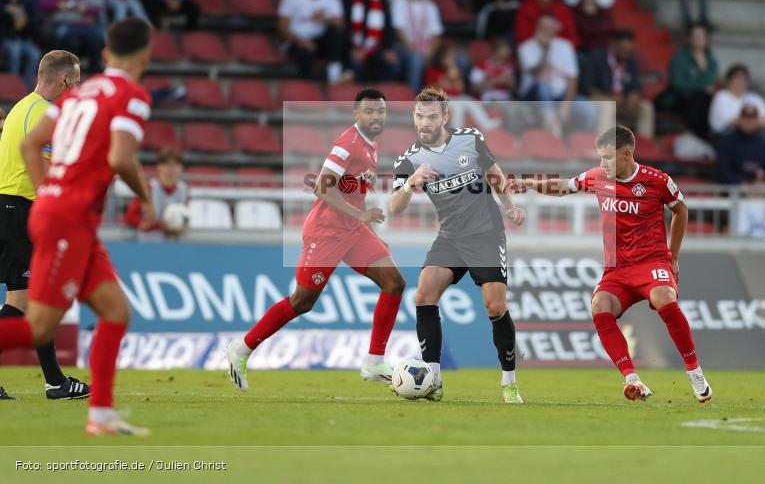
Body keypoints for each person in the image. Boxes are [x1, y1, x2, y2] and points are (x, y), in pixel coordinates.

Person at [0, 18, 155, 435]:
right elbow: (123, 158)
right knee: (37, 322)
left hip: (48, 211)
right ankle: (61, 387)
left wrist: (45, 192)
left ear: (106, 54)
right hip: (58, 214)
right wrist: (147, 198)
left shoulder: (69, 99)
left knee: (115, 312)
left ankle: (99, 413)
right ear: (146, 55)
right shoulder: (132, 97)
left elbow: (31, 146)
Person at [504, 125, 713, 403]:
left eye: (608, 157)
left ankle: (694, 371)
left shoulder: (657, 180)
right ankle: (632, 379)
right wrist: (529, 183)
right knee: (599, 306)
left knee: (664, 297)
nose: (602, 163)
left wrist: (672, 256)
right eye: (601, 157)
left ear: (627, 154)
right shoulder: (598, 177)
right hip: (617, 269)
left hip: (651, 261)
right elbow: (564, 187)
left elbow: (680, 210)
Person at [227, 89, 407, 390]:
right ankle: (241, 350)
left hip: (352, 230)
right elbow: (323, 188)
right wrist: (360, 216)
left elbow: (355, 196)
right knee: (303, 301)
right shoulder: (346, 145)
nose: (377, 117)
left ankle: (375, 361)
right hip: (326, 232)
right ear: (356, 114)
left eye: (381, 111)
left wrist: (369, 232)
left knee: (394, 282)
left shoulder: (371, 146)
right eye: (370, 111)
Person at [389, 88, 527, 403]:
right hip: (450, 236)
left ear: (445, 117)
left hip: (486, 233)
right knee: (424, 293)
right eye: (419, 115)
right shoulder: (409, 160)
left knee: (494, 305)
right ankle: (433, 380)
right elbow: (394, 207)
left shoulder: (470, 138)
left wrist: (509, 206)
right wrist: (411, 183)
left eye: (432, 116)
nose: (424, 122)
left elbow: (494, 174)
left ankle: (509, 382)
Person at [0, 50, 89, 402]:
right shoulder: (45, 114)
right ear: (65, 80)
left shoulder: (21, 107)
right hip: (24, 211)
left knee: (32, 300)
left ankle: (55, 382)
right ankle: (55, 383)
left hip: (10, 208)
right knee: (24, 301)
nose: (76, 87)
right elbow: (48, 173)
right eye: (76, 81)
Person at [517, 14, 596, 135]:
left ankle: (585, 146)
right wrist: (545, 51)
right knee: (543, 85)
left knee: (588, 109)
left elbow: (572, 79)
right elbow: (537, 74)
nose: (547, 31)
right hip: (533, 96)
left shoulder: (565, 46)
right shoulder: (525, 47)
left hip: (560, 96)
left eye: (550, 27)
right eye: (544, 28)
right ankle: (553, 128)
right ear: (537, 29)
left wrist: (565, 106)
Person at [278, 0, 346, 83]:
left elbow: (340, 26)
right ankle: (308, 90)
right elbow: (282, 26)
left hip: (319, 43)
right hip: (296, 41)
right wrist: (302, 41)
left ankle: (335, 78)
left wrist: (324, 19)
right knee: (306, 52)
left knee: (336, 34)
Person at [38, 0, 106, 74]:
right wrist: (58, 5)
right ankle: (69, 76)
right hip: (63, 25)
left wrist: (85, 9)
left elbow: (98, 4)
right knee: (70, 40)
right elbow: (43, 4)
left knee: (96, 38)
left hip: (84, 25)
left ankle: (95, 73)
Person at [342, 0, 402, 82]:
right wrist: (352, 49)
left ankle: (382, 97)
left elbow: (387, 27)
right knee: (356, 63)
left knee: (393, 63)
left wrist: (388, 49)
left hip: (376, 48)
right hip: (353, 47)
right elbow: (344, 28)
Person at [592, 29, 655, 138]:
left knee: (646, 107)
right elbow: (588, 87)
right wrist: (610, 97)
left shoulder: (631, 62)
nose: (625, 53)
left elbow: (636, 86)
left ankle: (645, 147)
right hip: (601, 98)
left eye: (629, 50)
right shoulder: (598, 58)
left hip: (622, 102)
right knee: (608, 106)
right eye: (622, 49)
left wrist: (634, 95)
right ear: (614, 45)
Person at [660, 22, 717, 139]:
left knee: (710, 101)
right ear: (690, 39)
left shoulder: (710, 60)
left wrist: (702, 69)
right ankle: (696, 136)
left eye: (701, 36)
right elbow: (677, 83)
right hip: (677, 98)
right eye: (695, 36)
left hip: (701, 99)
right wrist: (701, 87)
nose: (698, 39)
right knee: (699, 100)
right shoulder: (680, 57)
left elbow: (710, 81)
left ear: (707, 39)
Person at [392, 0, 444, 91]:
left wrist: (430, 52)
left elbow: (436, 34)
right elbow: (399, 30)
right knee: (416, 58)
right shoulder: (399, 1)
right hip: (404, 46)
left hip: (426, 48)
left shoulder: (431, 5)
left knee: (457, 59)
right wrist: (414, 49)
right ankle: (412, 98)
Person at [123, 146, 188, 241]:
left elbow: (185, 218)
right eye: (167, 164)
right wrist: (155, 225)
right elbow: (130, 218)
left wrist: (178, 227)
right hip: (149, 245)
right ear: (159, 167)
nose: (171, 169)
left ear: (181, 168)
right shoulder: (148, 188)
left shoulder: (183, 190)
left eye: (175, 164)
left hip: (173, 246)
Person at [715, 104, 765, 186]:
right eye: (745, 117)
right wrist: (742, 184)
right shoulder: (728, 141)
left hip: (760, 192)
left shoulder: (764, 143)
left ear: (757, 120)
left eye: (752, 118)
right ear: (740, 119)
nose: (749, 121)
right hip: (734, 193)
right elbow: (722, 171)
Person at [0, 0, 42, 88]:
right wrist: (7, 13)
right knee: (15, 53)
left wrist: (24, 16)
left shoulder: (27, 3)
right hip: (7, 39)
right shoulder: (2, 3)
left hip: (24, 39)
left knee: (35, 54)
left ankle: (27, 86)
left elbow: (33, 25)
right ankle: (12, 86)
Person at [514, 0, 578, 46]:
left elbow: (573, 39)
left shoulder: (563, 9)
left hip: (558, 50)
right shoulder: (525, 8)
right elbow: (522, 38)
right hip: (534, 49)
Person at [708, 64, 765, 136]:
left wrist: (745, 122)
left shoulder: (754, 97)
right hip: (727, 137)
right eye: (737, 78)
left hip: (753, 136)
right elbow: (725, 123)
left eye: (744, 79)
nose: (740, 82)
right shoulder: (721, 96)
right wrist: (751, 121)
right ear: (728, 80)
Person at [573, 0, 614, 78]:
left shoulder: (604, 12)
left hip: (603, 51)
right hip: (584, 51)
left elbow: (610, 31)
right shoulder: (575, 13)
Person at [469, 37, 516, 102]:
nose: (502, 60)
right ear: (494, 52)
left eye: (504, 58)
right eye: (501, 56)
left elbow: (514, 87)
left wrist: (508, 82)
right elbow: (475, 88)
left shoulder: (507, 66)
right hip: (487, 99)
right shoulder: (480, 66)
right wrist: (495, 81)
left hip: (506, 99)